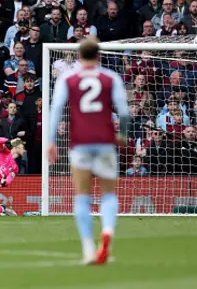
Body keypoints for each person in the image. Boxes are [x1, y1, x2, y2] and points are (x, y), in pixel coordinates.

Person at [47, 38, 129, 265]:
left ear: (79, 56)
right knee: (108, 194)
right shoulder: (111, 77)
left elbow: (55, 110)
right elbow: (123, 110)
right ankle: (108, 231)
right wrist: (122, 134)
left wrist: (50, 141)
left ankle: (88, 248)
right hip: (105, 142)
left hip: (80, 142)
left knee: (82, 195)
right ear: (99, 56)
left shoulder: (69, 78)